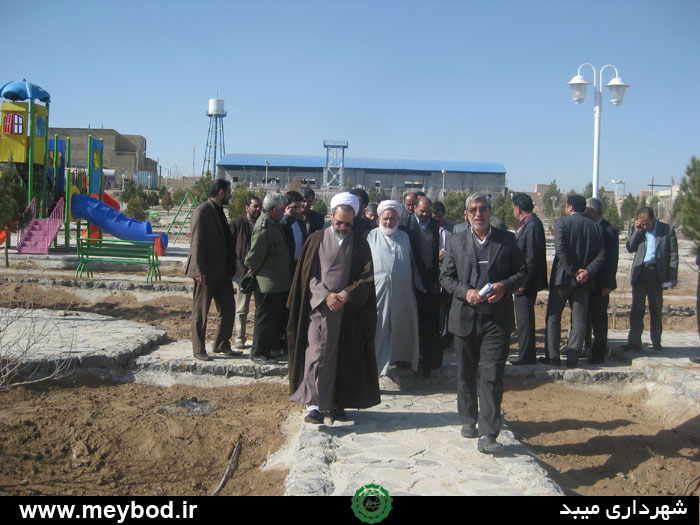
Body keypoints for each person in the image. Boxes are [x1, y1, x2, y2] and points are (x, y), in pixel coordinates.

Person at [440, 192, 527, 453]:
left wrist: (504, 286)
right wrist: (465, 292)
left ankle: (489, 433)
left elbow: (522, 272)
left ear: (490, 212)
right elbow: (446, 277)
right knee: (466, 373)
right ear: (466, 215)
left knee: (492, 376)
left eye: (483, 209)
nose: (479, 214)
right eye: (474, 210)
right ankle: (469, 418)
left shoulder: (507, 240)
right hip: (465, 317)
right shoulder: (456, 241)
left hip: (496, 320)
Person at [287, 192, 380, 424]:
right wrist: (326, 296)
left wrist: (346, 294)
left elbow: (366, 276)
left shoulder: (359, 243)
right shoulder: (316, 239)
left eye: (348, 224)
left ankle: (336, 403)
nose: (343, 227)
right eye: (339, 223)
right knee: (316, 355)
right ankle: (314, 405)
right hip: (319, 309)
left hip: (347, 312)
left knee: (342, 358)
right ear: (331, 215)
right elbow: (307, 275)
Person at [542, 195, 605, 368]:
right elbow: (601, 255)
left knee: (554, 317)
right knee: (579, 321)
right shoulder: (595, 227)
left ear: (570, 207)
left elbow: (561, 250)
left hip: (562, 278)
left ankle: (553, 357)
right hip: (583, 282)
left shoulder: (563, 223)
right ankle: (572, 357)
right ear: (584, 209)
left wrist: (574, 270)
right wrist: (586, 272)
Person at [367, 200, 424, 375]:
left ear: (398, 219)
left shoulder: (405, 237)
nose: (388, 222)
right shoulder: (370, 236)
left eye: (392, 219)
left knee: (403, 325)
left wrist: (419, 284)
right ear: (379, 218)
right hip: (378, 291)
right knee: (379, 327)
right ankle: (376, 365)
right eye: (385, 218)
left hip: (403, 291)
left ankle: (401, 359)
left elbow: (413, 263)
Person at [185, 178, 239, 361]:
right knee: (201, 312)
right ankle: (198, 349)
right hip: (206, 272)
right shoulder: (202, 211)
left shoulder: (220, 211)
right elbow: (197, 243)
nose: (231, 196)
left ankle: (221, 343)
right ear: (221, 192)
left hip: (222, 272)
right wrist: (199, 270)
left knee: (229, 309)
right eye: (229, 192)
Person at [244, 193, 292, 364]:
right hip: (267, 283)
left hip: (277, 282)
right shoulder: (264, 226)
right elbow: (255, 255)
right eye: (282, 210)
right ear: (273, 210)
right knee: (264, 319)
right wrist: (252, 268)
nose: (284, 213)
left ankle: (266, 350)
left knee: (272, 319)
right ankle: (258, 352)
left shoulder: (273, 224)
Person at [623, 206, 678, 351]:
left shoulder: (667, 230)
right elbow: (630, 248)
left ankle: (656, 340)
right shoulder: (638, 229)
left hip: (657, 273)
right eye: (642, 224)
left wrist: (673, 277)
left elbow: (673, 254)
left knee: (656, 308)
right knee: (637, 308)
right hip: (640, 272)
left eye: (647, 223)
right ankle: (634, 342)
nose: (645, 226)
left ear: (654, 219)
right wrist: (637, 232)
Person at [399, 196, 442, 377]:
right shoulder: (404, 225)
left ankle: (428, 360)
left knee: (430, 321)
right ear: (415, 208)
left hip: (430, 279)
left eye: (428, 212)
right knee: (409, 319)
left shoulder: (434, 225)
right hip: (409, 277)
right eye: (422, 211)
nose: (425, 214)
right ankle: (405, 358)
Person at [510, 193, 547, 365]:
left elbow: (531, 256)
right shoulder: (528, 224)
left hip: (526, 283)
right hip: (524, 280)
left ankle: (526, 356)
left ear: (518, 208)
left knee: (524, 319)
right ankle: (527, 353)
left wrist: (524, 282)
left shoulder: (532, 225)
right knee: (524, 318)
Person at [583, 197, 619, 363]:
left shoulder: (609, 230)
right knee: (585, 316)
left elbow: (612, 260)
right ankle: (586, 347)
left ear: (591, 211)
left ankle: (599, 351)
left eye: (586, 210)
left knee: (599, 317)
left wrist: (608, 284)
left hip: (601, 282)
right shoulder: (587, 227)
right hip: (586, 281)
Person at [229, 195, 262, 349]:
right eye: (255, 206)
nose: (258, 209)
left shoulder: (263, 224)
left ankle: (258, 339)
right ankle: (239, 338)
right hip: (243, 274)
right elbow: (231, 249)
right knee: (242, 308)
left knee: (260, 308)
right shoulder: (237, 224)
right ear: (247, 207)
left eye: (259, 206)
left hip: (260, 274)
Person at [433, 201, 454, 349]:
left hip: (449, 270)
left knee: (448, 304)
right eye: (434, 217)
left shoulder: (453, 228)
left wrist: (446, 255)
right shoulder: (429, 228)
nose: (437, 220)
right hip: (434, 270)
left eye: (439, 217)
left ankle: (447, 336)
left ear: (444, 215)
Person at [281, 190, 306, 272]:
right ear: (286, 207)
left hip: (297, 266)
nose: (298, 211)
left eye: (300, 207)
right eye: (294, 207)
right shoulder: (280, 222)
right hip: (284, 267)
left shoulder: (301, 223)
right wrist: (287, 217)